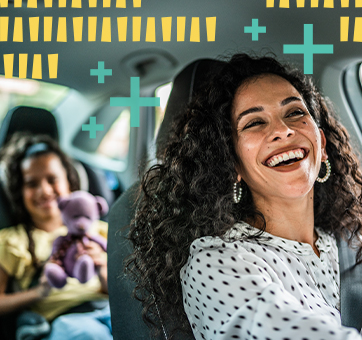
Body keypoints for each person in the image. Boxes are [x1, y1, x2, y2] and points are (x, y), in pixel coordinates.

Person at [125, 53, 362, 340]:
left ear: (321, 144)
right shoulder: (215, 263)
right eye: (254, 123)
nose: (283, 130)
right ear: (232, 163)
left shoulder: (352, 239)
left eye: (295, 113)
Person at [0, 133, 112, 340]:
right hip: (64, 321)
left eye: (52, 179)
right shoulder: (12, 241)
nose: (44, 191)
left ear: (69, 182)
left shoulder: (100, 230)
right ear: (18, 192)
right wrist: (38, 292)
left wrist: (103, 268)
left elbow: (123, 292)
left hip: (110, 310)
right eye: (31, 184)